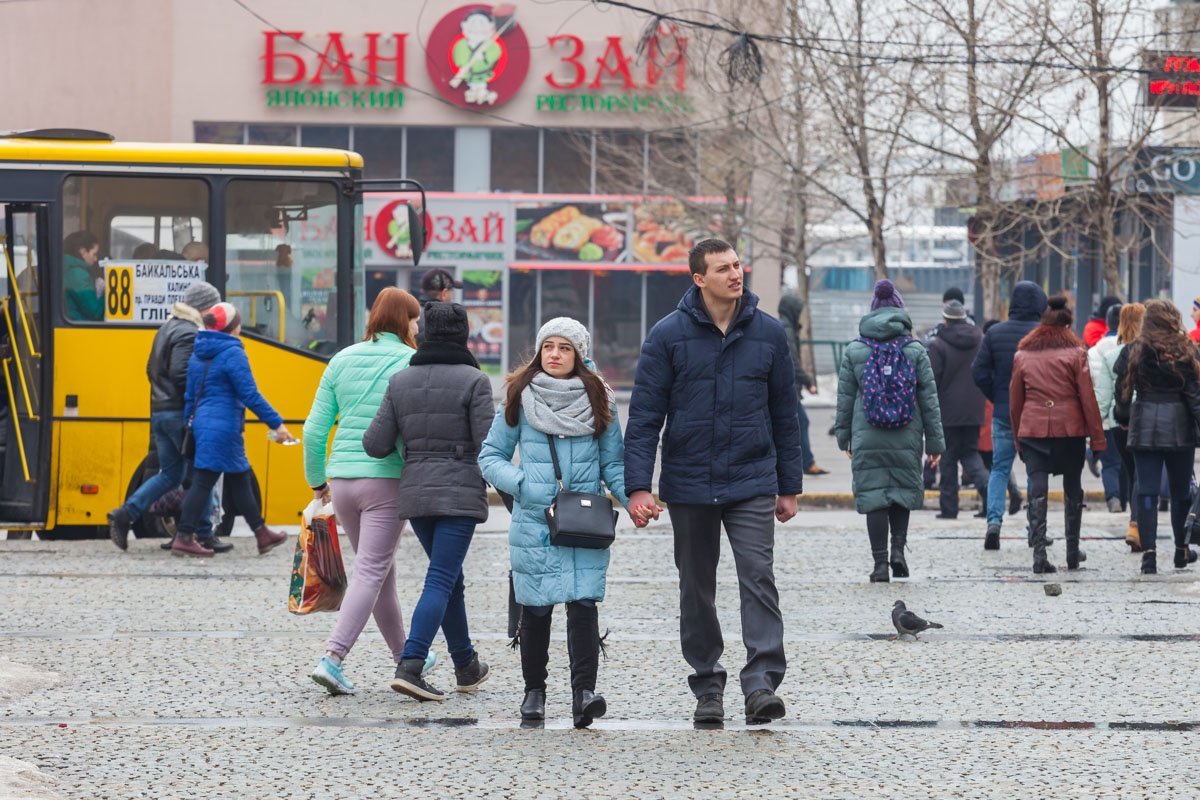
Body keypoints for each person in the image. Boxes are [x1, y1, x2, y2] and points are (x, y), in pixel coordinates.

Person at [624, 238, 803, 726]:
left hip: (751, 479)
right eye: (723, 268)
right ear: (699, 279)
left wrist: (789, 485)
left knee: (757, 577)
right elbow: (643, 418)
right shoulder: (667, 336)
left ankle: (761, 683)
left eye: (737, 265)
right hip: (688, 482)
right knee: (696, 588)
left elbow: (786, 415)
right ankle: (707, 685)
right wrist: (638, 487)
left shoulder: (768, 333)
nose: (735, 274)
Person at [479, 317, 637, 728]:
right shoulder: (519, 395)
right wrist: (523, 485)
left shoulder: (599, 398)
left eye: (564, 347)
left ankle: (584, 694)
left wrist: (633, 498)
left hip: (585, 521)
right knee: (536, 609)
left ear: (579, 354)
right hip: (535, 523)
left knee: (584, 605)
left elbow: (613, 463)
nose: (554, 354)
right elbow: (490, 457)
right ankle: (535, 693)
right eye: (547, 346)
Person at [304, 288, 435, 696]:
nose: (417, 327)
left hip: (342, 480)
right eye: (414, 320)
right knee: (372, 571)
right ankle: (333, 658)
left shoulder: (341, 359)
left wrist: (317, 482)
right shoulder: (410, 361)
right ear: (404, 322)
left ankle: (404, 657)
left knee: (380, 571)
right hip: (386, 479)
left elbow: (313, 430)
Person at [363, 301, 493, 701]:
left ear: (423, 335)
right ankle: (412, 664)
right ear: (464, 335)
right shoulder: (475, 380)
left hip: (416, 491)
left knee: (449, 577)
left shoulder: (401, 381)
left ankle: (465, 664)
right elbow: (490, 445)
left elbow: (375, 444)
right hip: (459, 492)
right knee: (440, 577)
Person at [836, 280, 945, 582]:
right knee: (901, 492)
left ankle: (880, 564)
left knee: (875, 496)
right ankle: (898, 551)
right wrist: (935, 443)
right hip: (907, 433)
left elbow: (845, 399)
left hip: (867, 433)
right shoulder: (914, 350)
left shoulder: (855, 350)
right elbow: (929, 400)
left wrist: (844, 436)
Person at [106, 282, 224, 550]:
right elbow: (181, 373)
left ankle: (125, 514)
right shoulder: (188, 332)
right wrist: (205, 390)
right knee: (200, 472)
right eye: (213, 305)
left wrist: (163, 397)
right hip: (178, 414)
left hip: (160, 412)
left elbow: (151, 369)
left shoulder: (167, 327)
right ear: (203, 306)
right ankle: (202, 534)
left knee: (171, 475)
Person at [173, 303, 292, 557]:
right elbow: (250, 394)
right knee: (206, 481)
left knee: (240, 479)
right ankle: (184, 536)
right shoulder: (232, 353)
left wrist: (189, 426)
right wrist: (277, 423)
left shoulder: (199, 352)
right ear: (233, 327)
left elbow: (189, 396)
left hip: (204, 426)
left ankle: (261, 534)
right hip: (223, 427)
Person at [1009, 295, 1106, 574]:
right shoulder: (1077, 354)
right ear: (1068, 323)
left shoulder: (1022, 355)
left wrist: (1018, 438)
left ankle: (1039, 555)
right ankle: (1072, 552)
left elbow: (1015, 403)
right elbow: (1088, 399)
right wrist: (1097, 440)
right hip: (1070, 431)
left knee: (1037, 492)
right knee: (1073, 489)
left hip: (1033, 430)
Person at [1113, 299, 1200, 575]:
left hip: (1145, 424)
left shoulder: (1133, 350)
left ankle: (1148, 554)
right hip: (1179, 426)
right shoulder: (1186, 350)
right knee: (1180, 492)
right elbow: (1195, 397)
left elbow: (1122, 394)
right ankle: (1180, 550)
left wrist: (1124, 419)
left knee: (1147, 491)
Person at [972, 281, 1048, 550]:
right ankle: (1035, 529)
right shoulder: (1042, 334)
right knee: (1034, 472)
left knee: (999, 469)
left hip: (1004, 413)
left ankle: (994, 523)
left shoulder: (995, 333)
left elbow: (978, 371)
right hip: (1034, 414)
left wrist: (997, 397)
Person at [928, 299, 988, 520]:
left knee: (948, 459)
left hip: (948, 411)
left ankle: (949, 508)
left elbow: (932, 379)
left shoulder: (937, 344)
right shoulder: (980, 339)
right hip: (974, 408)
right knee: (970, 454)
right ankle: (989, 490)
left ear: (945, 319)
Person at [1093, 303, 1146, 552]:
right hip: (1144, 420)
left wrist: (1094, 431)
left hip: (1117, 423)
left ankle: (1137, 523)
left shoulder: (1111, 355)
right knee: (1140, 474)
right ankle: (1137, 524)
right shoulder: (1149, 352)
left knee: (1132, 470)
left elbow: (1102, 398)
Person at [778, 290, 828, 475]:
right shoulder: (786, 330)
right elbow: (791, 361)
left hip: (786, 387)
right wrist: (807, 381)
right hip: (787, 388)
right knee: (801, 422)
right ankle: (806, 463)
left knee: (794, 424)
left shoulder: (785, 327)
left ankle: (801, 463)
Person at [1088, 302, 1127, 514]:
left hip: (1103, 418)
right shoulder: (1131, 348)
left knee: (1109, 462)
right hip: (1126, 415)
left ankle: (1113, 498)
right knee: (1126, 462)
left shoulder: (1094, 352)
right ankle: (1126, 499)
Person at [63, 230, 104, 321]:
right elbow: (95, 313)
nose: (96, 259)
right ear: (83, 251)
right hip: (79, 329)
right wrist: (108, 292)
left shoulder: (68, 268)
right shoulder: (78, 274)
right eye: (94, 254)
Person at [415, 268, 462, 344]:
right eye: (451, 292)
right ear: (444, 293)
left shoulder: (411, 315)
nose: (451, 297)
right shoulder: (447, 319)